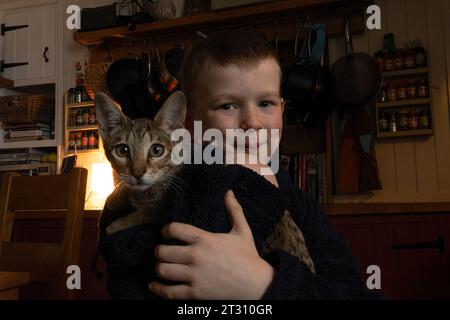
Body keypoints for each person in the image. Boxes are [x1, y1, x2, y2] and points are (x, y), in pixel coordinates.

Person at [98, 30, 379, 300]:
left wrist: (262, 283)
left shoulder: (297, 201)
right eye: (228, 106)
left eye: (266, 103)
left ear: (282, 109)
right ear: (187, 124)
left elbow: (352, 293)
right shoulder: (141, 199)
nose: (253, 122)